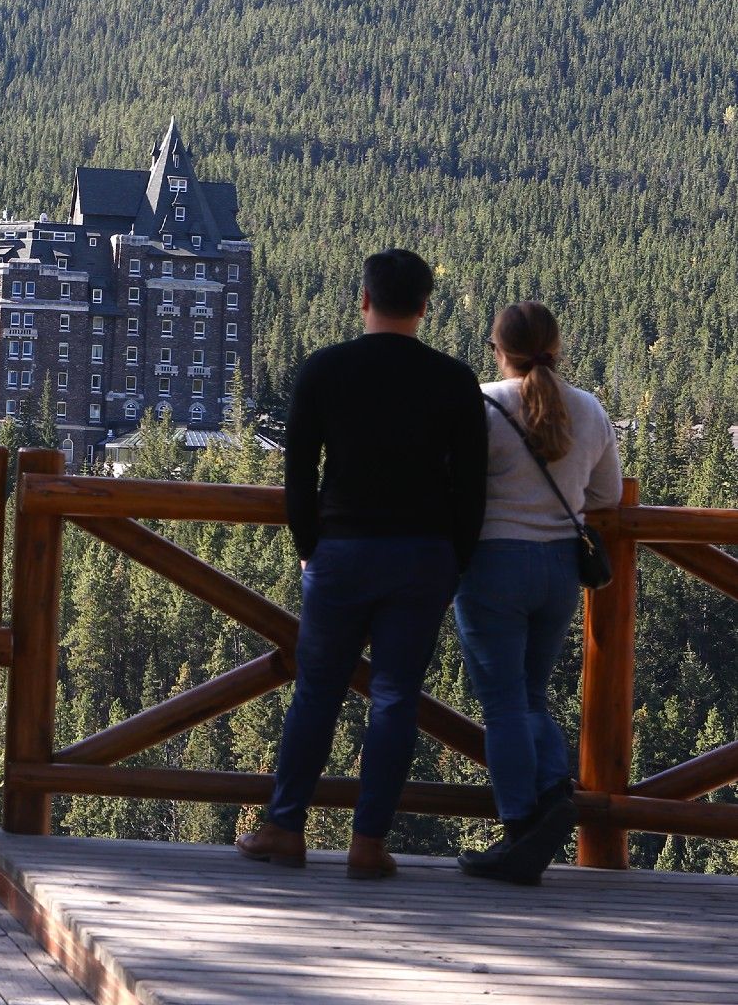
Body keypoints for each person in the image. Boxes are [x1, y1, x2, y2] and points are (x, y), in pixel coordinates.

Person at [237, 249, 486, 879]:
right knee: (397, 697)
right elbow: (472, 487)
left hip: (341, 553)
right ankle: (368, 843)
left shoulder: (326, 369)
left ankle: (285, 826)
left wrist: (307, 544)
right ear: (425, 307)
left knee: (317, 690)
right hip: (424, 554)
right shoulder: (454, 380)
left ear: (363, 300)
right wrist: (454, 557)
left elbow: (298, 470)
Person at [455, 301, 621, 884]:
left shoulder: (480, 402)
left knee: (504, 703)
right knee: (529, 694)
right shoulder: (590, 409)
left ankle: (523, 826)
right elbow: (608, 496)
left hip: (492, 566)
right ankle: (552, 796)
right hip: (558, 571)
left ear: (498, 348)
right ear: (555, 345)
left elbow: (452, 485)